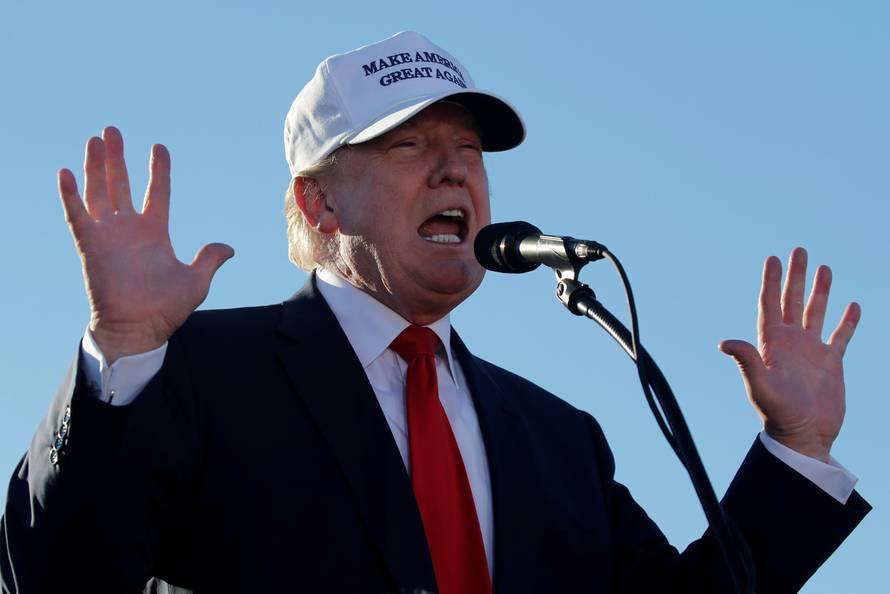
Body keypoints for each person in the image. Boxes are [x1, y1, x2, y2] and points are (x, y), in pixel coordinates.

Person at [0, 31, 870, 594]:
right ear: (319, 205)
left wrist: (796, 453)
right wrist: (120, 350)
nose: (455, 171)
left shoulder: (558, 438)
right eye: (412, 146)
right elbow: (56, 576)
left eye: (468, 151)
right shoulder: (196, 371)